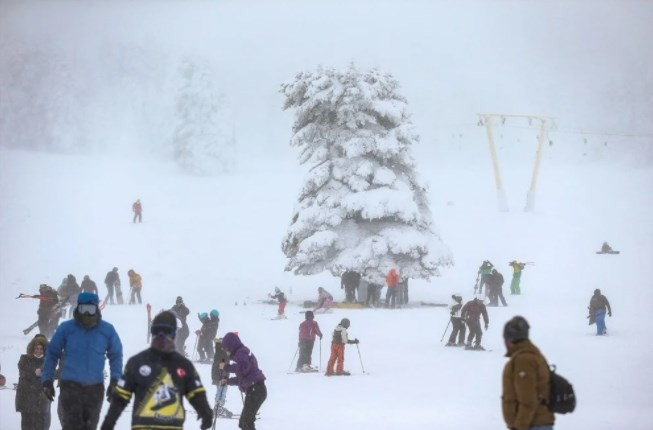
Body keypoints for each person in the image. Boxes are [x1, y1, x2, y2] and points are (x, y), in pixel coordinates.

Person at [100, 311, 213, 430]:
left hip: (161, 424)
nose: (162, 338)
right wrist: (206, 413)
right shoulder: (139, 362)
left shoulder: (181, 365)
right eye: (158, 333)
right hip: (153, 425)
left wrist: (205, 413)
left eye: (166, 334)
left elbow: (196, 393)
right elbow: (121, 396)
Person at [41, 292, 123, 430]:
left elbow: (116, 356)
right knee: (71, 424)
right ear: (77, 308)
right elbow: (52, 354)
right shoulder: (66, 328)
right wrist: (47, 379)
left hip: (95, 388)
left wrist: (115, 380)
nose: (86, 314)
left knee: (89, 425)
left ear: (97, 309)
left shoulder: (107, 330)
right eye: (83, 309)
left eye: (90, 310)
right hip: (70, 386)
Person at [502, 316, 555, 430]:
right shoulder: (531, 355)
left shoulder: (524, 360)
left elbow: (528, 399)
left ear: (509, 340)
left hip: (533, 424)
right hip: (535, 423)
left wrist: (519, 426)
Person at [219, 332, 267, 430]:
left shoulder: (241, 352)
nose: (226, 352)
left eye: (226, 348)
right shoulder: (241, 353)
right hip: (255, 390)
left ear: (231, 346)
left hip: (256, 390)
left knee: (246, 421)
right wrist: (227, 381)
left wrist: (227, 367)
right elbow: (242, 377)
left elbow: (244, 368)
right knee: (244, 422)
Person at [16, 334, 51, 430]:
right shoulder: (24, 359)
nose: (39, 351)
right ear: (32, 348)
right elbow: (23, 371)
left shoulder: (48, 361)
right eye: (36, 348)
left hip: (41, 401)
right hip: (26, 399)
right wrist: (34, 371)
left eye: (41, 348)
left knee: (42, 426)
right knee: (27, 426)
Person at [211, 337, 234, 419]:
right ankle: (218, 408)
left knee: (221, 390)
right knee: (222, 391)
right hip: (220, 375)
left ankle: (218, 407)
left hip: (221, 375)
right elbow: (221, 364)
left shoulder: (221, 352)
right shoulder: (221, 352)